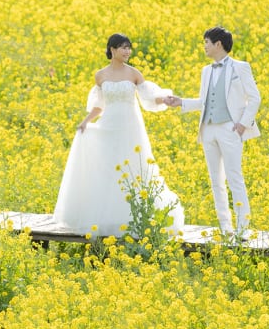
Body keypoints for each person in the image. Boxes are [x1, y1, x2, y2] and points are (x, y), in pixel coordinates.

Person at [53, 33, 184, 237]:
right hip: (109, 124)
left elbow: (148, 98)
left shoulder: (134, 73)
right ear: (112, 50)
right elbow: (99, 105)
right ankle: (108, 219)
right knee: (108, 168)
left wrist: (164, 99)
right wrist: (86, 122)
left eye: (129, 48)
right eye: (123, 47)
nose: (127, 51)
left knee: (133, 165)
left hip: (131, 125)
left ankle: (137, 217)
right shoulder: (100, 75)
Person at [164, 26, 261, 238]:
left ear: (218, 44)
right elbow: (204, 102)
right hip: (208, 129)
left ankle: (243, 228)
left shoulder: (240, 67)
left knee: (235, 177)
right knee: (215, 179)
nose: (204, 46)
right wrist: (181, 102)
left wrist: (243, 124)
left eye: (206, 42)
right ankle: (225, 227)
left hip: (230, 128)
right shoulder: (206, 71)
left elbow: (255, 98)